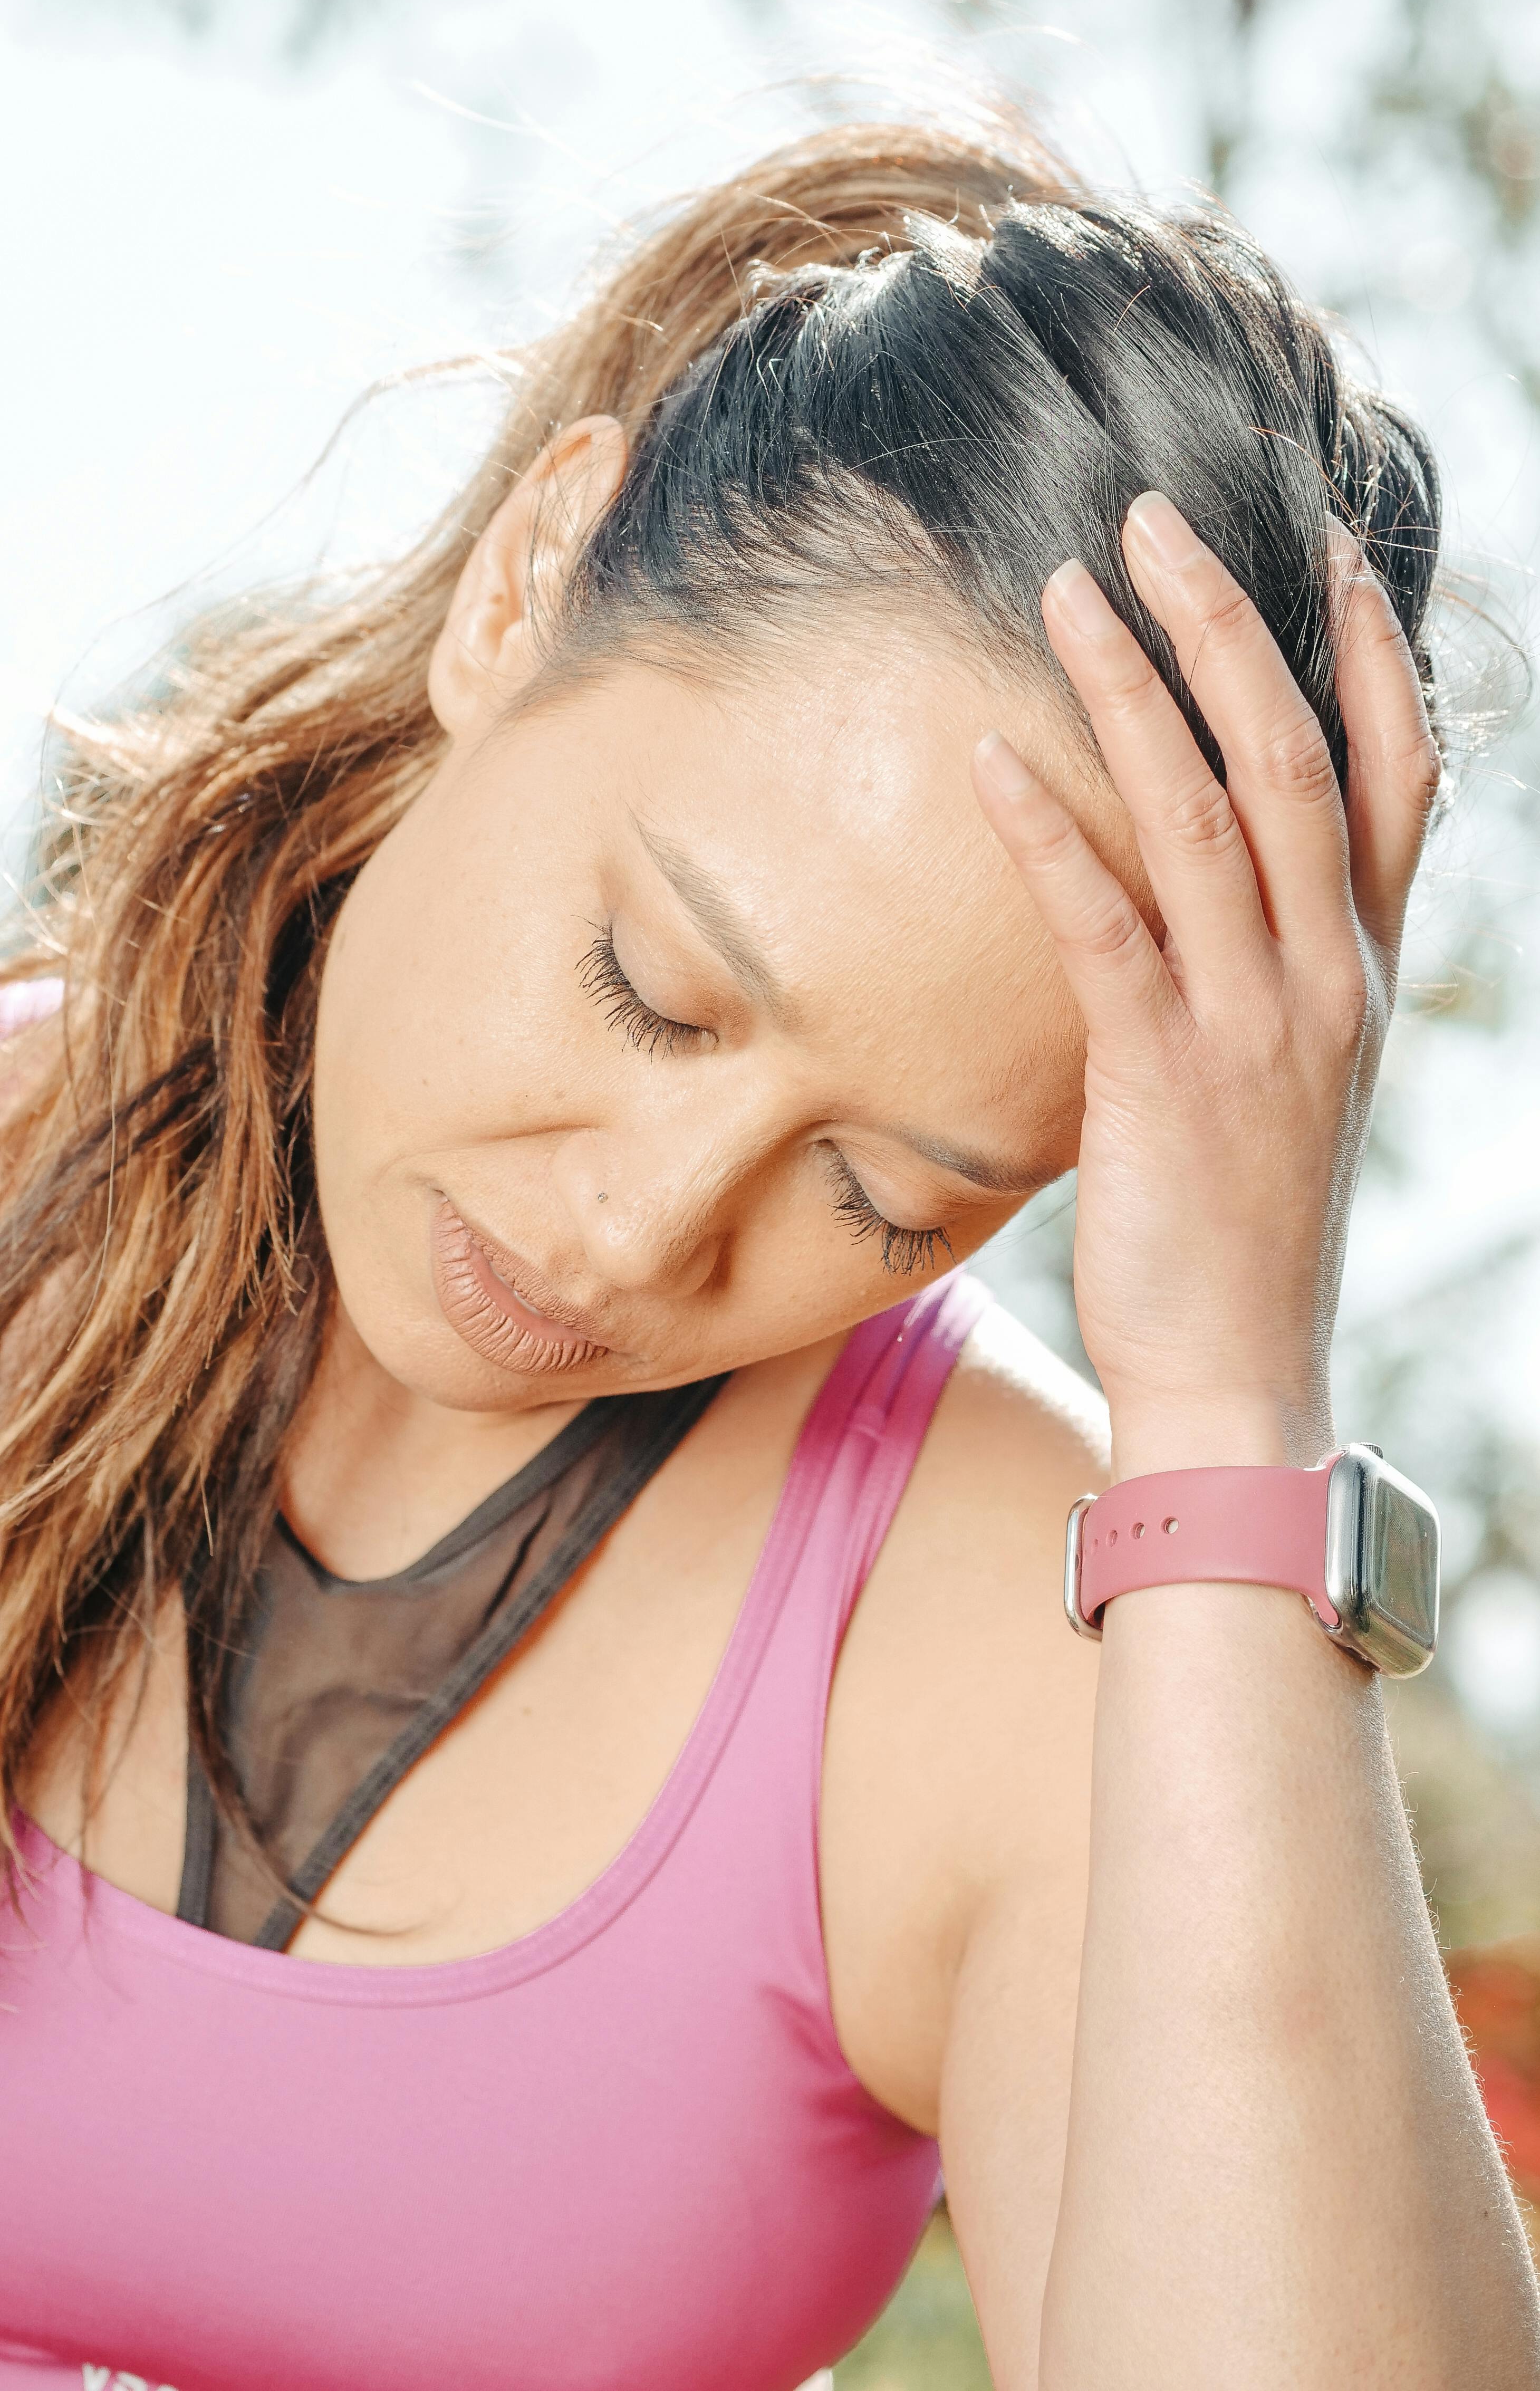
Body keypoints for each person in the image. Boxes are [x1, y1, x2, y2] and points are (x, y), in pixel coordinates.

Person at [0, 117, 1535, 2391]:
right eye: (649, 982)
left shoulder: (1010, 1634)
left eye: (886, 1196)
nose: (630, 1229)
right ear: (527, 584)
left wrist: (1227, 1403)